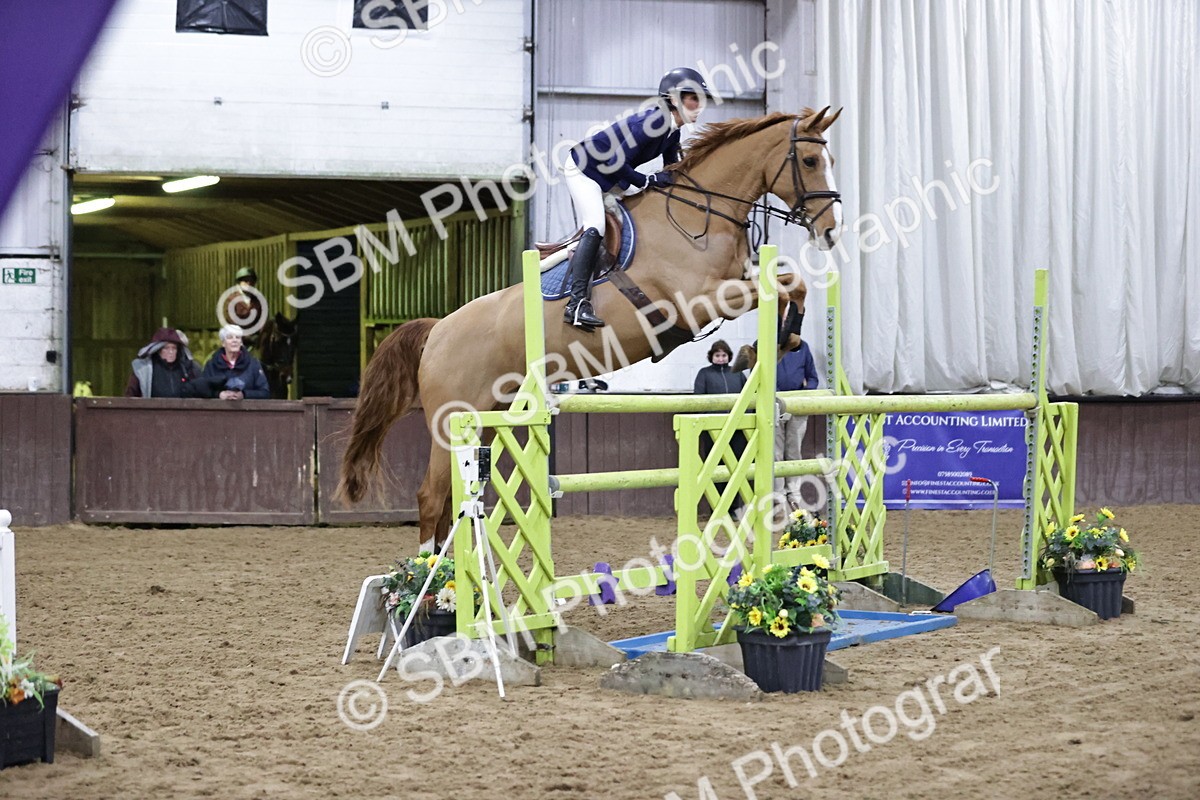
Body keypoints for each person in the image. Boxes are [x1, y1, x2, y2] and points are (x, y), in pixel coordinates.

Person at [561, 67, 712, 329]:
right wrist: (647, 180)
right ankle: (575, 305)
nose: (699, 105)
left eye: (701, 99)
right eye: (693, 98)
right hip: (583, 170)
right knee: (595, 224)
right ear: (673, 100)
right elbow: (615, 161)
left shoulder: (672, 132)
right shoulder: (653, 124)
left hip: (611, 175)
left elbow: (672, 171)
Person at [693, 340, 747, 513]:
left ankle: (733, 508)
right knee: (715, 468)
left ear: (729, 356)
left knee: (735, 468)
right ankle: (716, 508)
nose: (721, 358)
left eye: (724, 355)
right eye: (717, 355)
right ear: (712, 356)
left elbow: (748, 396)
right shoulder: (704, 374)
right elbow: (698, 399)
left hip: (737, 428)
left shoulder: (738, 374)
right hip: (712, 429)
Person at [775, 336, 820, 510]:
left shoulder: (804, 347)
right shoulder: (766, 343)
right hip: (775, 403)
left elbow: (812, 377)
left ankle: (794, 493)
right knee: (776, 452)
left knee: (794, 451)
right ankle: (778, 495)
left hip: (797, 404)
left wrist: (806, 394)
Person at [125, 327, 217, 398]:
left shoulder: (189, 368)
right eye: (166, 348)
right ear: (158, 350)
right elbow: (131, 397)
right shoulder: (144, 370)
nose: (171, 352)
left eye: (174, 348)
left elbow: (203, 391)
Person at [201, 324, 271, 400]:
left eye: (237, 337)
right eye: (230, 337)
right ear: (223, 343)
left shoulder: (253, 364)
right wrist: (219, 394)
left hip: (246, 410)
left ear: (241, 342)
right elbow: (202, 390)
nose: (234, 340)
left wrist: (244, 394)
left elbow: (265, 392)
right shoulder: (211, 365)